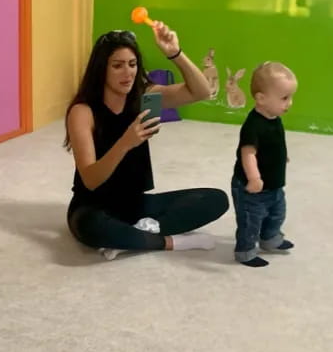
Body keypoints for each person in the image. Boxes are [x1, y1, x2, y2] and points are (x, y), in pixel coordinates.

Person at [64, 24, 229, 260]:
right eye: (117, 65)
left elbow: (201, 92)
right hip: (94, 206)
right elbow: (90, 180)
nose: (128, 73)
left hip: (135, 205)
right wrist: (126, 142)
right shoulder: (83, 111)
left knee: (215, 199)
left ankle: (132, 239)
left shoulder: (144, 95)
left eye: (132, 64)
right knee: (93, 227)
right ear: (102, 69)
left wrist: (175, 53)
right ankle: (168, 242)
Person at [231, 62, 297, 267]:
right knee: (251, 221)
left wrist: (281, 156)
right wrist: (253, 177)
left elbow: (275, 142)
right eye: (284, 98)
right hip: (253, 189)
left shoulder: (274, 117)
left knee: (277, 213)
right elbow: (248, 153)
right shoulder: (253, 125)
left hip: (274, 184)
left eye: (290, 97)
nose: (290, 103)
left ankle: (270, 239)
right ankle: (246, 251)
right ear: (261, 98)